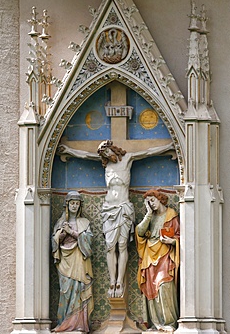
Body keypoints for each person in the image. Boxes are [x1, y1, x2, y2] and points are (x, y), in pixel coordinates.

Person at [57, 140, 174, 298]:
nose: (106, 156)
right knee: (110, 247)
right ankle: (112, 281)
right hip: (109, 209)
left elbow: (148, 151)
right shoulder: (107, 167)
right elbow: (85, 154)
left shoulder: (127, 159)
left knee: (122, 245)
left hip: (124, 207)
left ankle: (120, 281)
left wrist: (168, 147)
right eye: (103, 154)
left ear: (113, 150)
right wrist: (69, 151)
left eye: (107, 152)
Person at [135, 189, 180, 332]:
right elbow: (140, 232)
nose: (151, 204)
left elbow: (180, 236)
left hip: (165, 255)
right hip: (149, 257)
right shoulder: (150, 217)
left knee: (164, 287)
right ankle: (156, 324)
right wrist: (148, 214)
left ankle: (169, 322)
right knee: (151, 289)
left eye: (153, 200)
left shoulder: (171, 215)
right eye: (148, 202)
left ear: (160, 199)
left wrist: (172, 242)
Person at [52, 191, 93, 333]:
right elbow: (54, 242)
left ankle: (79, 324)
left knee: (79, 289)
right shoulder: (60, 222)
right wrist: (62, 234)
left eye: (77, 203)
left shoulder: (84, 222)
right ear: (67, 205)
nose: (74, 206)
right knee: (66, 290)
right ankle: (64, 323)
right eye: (72, 203)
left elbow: (88, 240)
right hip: (65, 260)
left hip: (79, 258)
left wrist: (73, 233)